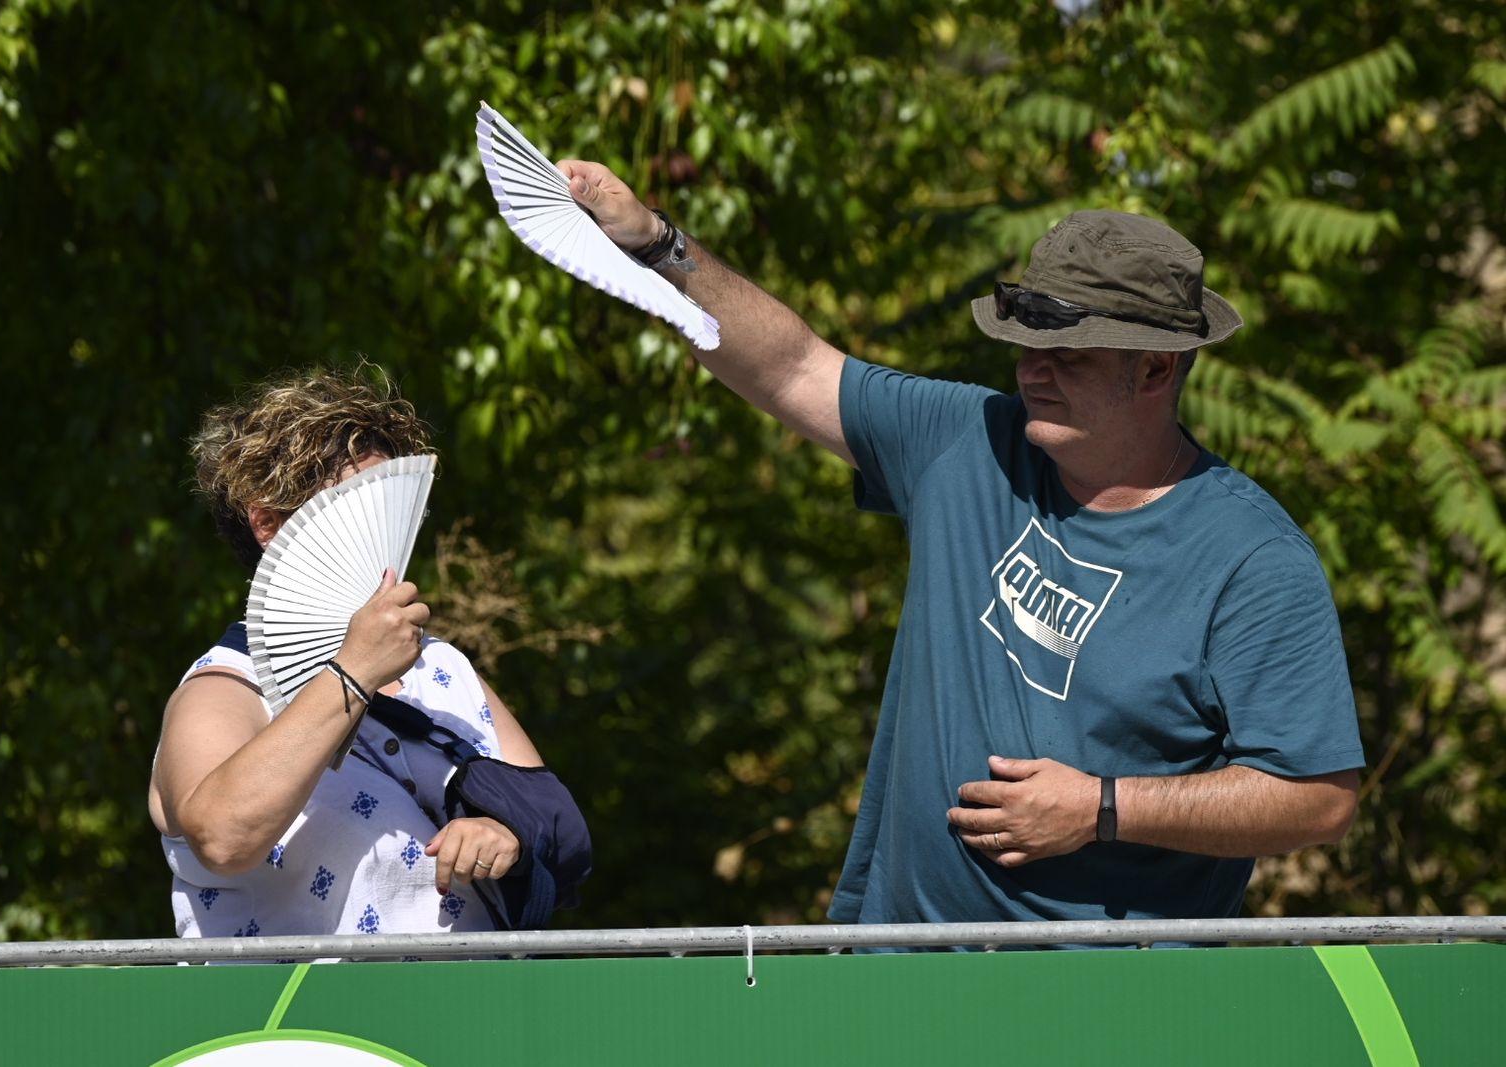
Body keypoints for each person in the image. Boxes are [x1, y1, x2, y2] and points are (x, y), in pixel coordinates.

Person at [555, 160, 1363, 930]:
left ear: (1155, 370)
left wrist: (1101, 808)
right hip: (900, 972)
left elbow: (1318, 797)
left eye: (1066, 356)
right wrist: (660, 244)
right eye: (1024, 346)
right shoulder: (966, 438)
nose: (1031, 372)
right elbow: (793, 365)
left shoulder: (1252, 559)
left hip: (1107, 1005)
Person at [149, 366, 587, 939]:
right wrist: (354, 671)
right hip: (300, 1026)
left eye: (396, 510)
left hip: (473, 1013)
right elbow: (223, 838)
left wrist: (506, 836)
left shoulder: (443, 669)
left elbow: (562, 831)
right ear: (269, 523)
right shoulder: (224, 688)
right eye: (361, 509)